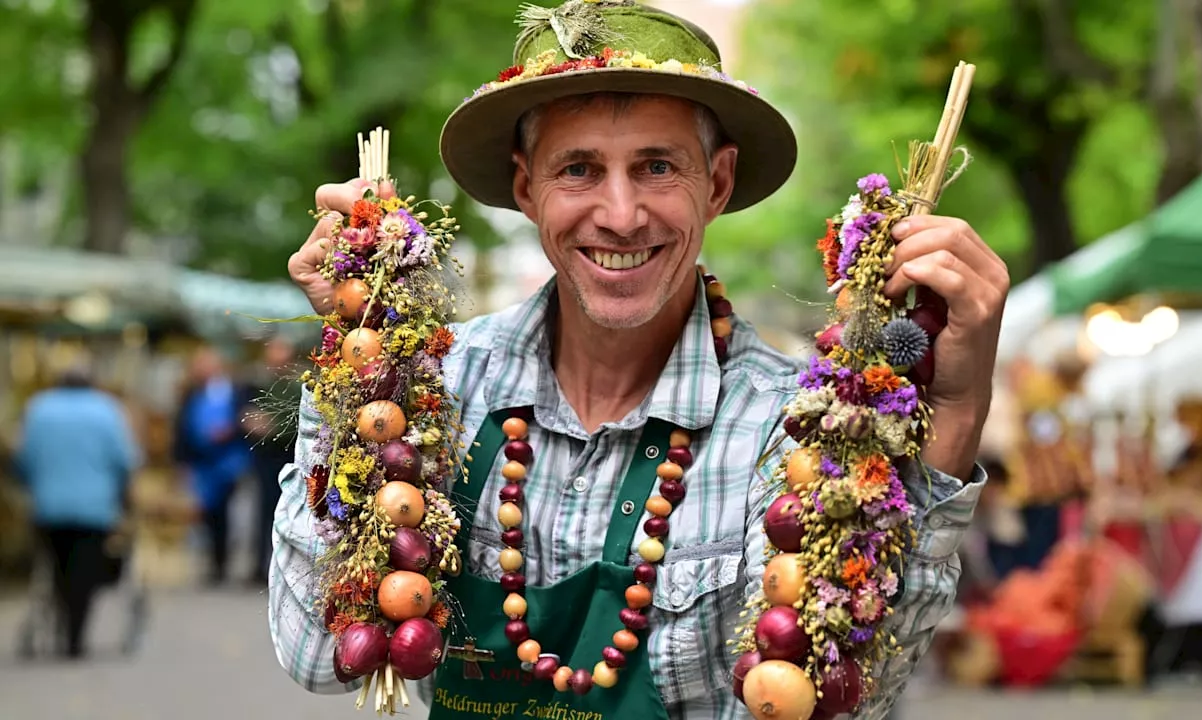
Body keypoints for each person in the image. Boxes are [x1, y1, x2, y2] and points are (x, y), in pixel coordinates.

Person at [269, 2, 1008, 718]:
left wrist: (956, 408)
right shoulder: (439, 388)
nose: (621, 215)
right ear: (527, 188)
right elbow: (315, 655)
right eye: (580, 170)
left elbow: (840, 702)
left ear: (715, 183)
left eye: (657, 167)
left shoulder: (791, 434)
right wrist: (351, 353)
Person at [16, 361, 140, 658]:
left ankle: (63, 621)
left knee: (56, 568)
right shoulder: (106, 410)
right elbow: (125, 460)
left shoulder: (39, 409)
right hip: (94, 509)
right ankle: (75, 634)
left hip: (49, 508)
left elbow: (23, 459)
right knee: (83, 572)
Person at [173, 345, 251, 586]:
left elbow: (246, 420)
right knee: (205, 514)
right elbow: (182, 429)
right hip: (201, 463)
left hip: (227, 462)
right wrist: (181, 461)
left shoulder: (234, 390)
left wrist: (230, 431)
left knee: (223, 514)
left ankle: (221, 562)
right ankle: (213, 561)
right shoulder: (191, 393)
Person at [241, 337, 300, 586]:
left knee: (284, 512)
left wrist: (270, 428)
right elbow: (248, 414)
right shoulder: (261, 384)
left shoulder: (296, 388)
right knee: (263, 513)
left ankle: (281, 566)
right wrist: (252, 423)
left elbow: (294, 423)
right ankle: (260, 564)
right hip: (264, 458)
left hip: (284, 457)